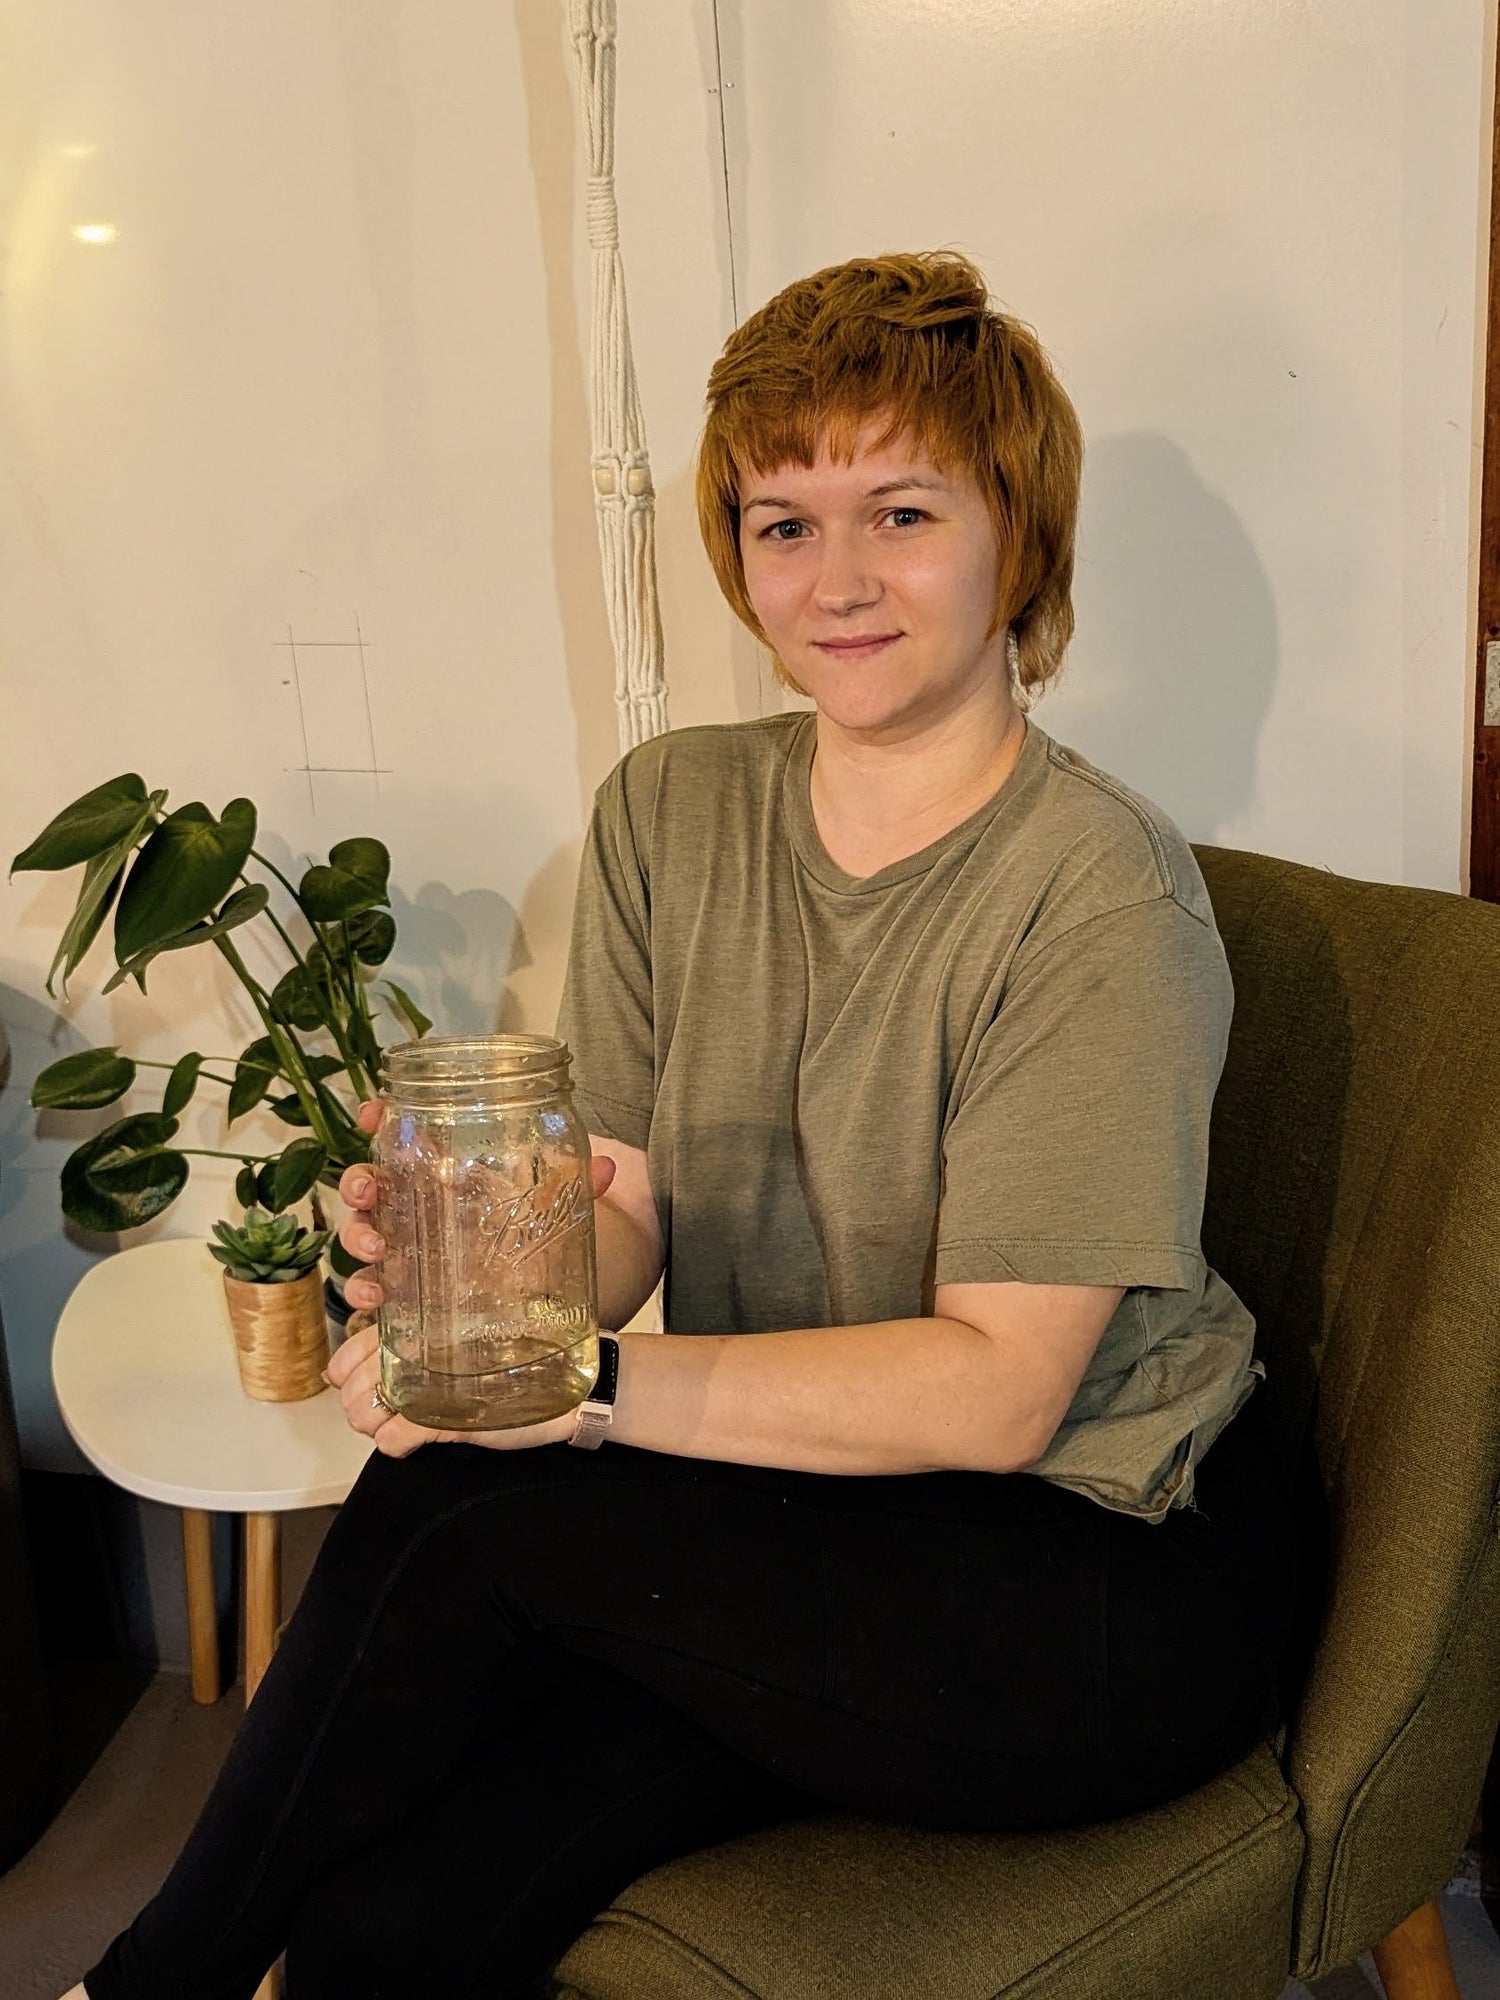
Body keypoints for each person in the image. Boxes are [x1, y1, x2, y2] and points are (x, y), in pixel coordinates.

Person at [66, 250, 1306, 2000]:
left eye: (900, 511)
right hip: (805, 1512)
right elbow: (625, 1216)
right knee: (382, 1930)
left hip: (1097, 1565)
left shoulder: (1098, 898)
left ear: (1016, 536)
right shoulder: (670, 811)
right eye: (782, 524)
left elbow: (998, 1389)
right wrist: (480, 1268)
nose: (838, 579)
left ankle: (151, 1982)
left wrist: (573, 1388)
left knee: (471, 1510)